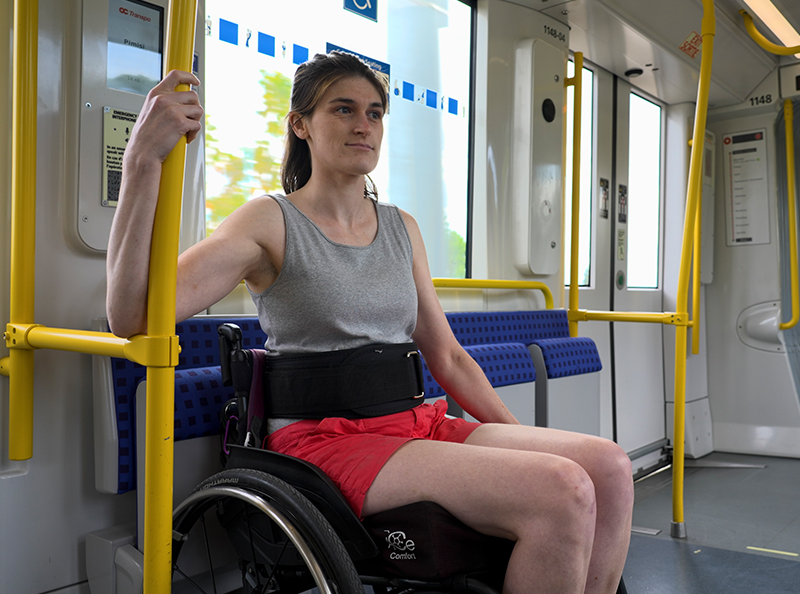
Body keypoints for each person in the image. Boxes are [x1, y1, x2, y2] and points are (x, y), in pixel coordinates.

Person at [106, 51, 633, 594]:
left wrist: (521, 441)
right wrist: (142, 159)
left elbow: (448, 357)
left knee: (610, 468)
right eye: (344, 109)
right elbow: (131, 313)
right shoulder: (270, 221)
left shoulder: (402, 228)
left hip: (415, 423)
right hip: (325, 440)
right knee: (563, 489)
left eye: (375, 113)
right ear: (301, 124)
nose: (364, 125)